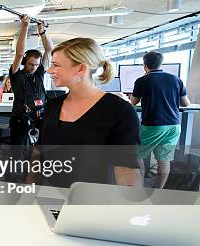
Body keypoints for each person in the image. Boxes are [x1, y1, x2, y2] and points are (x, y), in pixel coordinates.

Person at [37, 37, 141, 187]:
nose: (49, 70)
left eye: (56, 65)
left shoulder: (118, 110)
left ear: (81, 68)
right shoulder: (53, 106)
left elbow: (127, 169)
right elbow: (41, 152)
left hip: (91, 199)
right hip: (51, 195)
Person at [130, 51, 190, 188]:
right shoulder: (176, 79)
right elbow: (186, 103)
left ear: (145, 66)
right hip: (174, 126)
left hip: (153, 125)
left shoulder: (142, 80)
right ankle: (159, 190)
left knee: (137, 155)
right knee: (164, 160)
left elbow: (133, 102)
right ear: (160, 63)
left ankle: (139, 187)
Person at [9, 16, 53, 145]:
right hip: (20, 119)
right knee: (19, 154)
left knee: (39, 152)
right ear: (25, 62)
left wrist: (42, 31)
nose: (34, 67)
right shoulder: (16, 74)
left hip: (39, 118)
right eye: (30, 64)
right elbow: (19, 54)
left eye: (36, 65)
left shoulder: (39, 73)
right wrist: (24, 27)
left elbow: (49, 50)